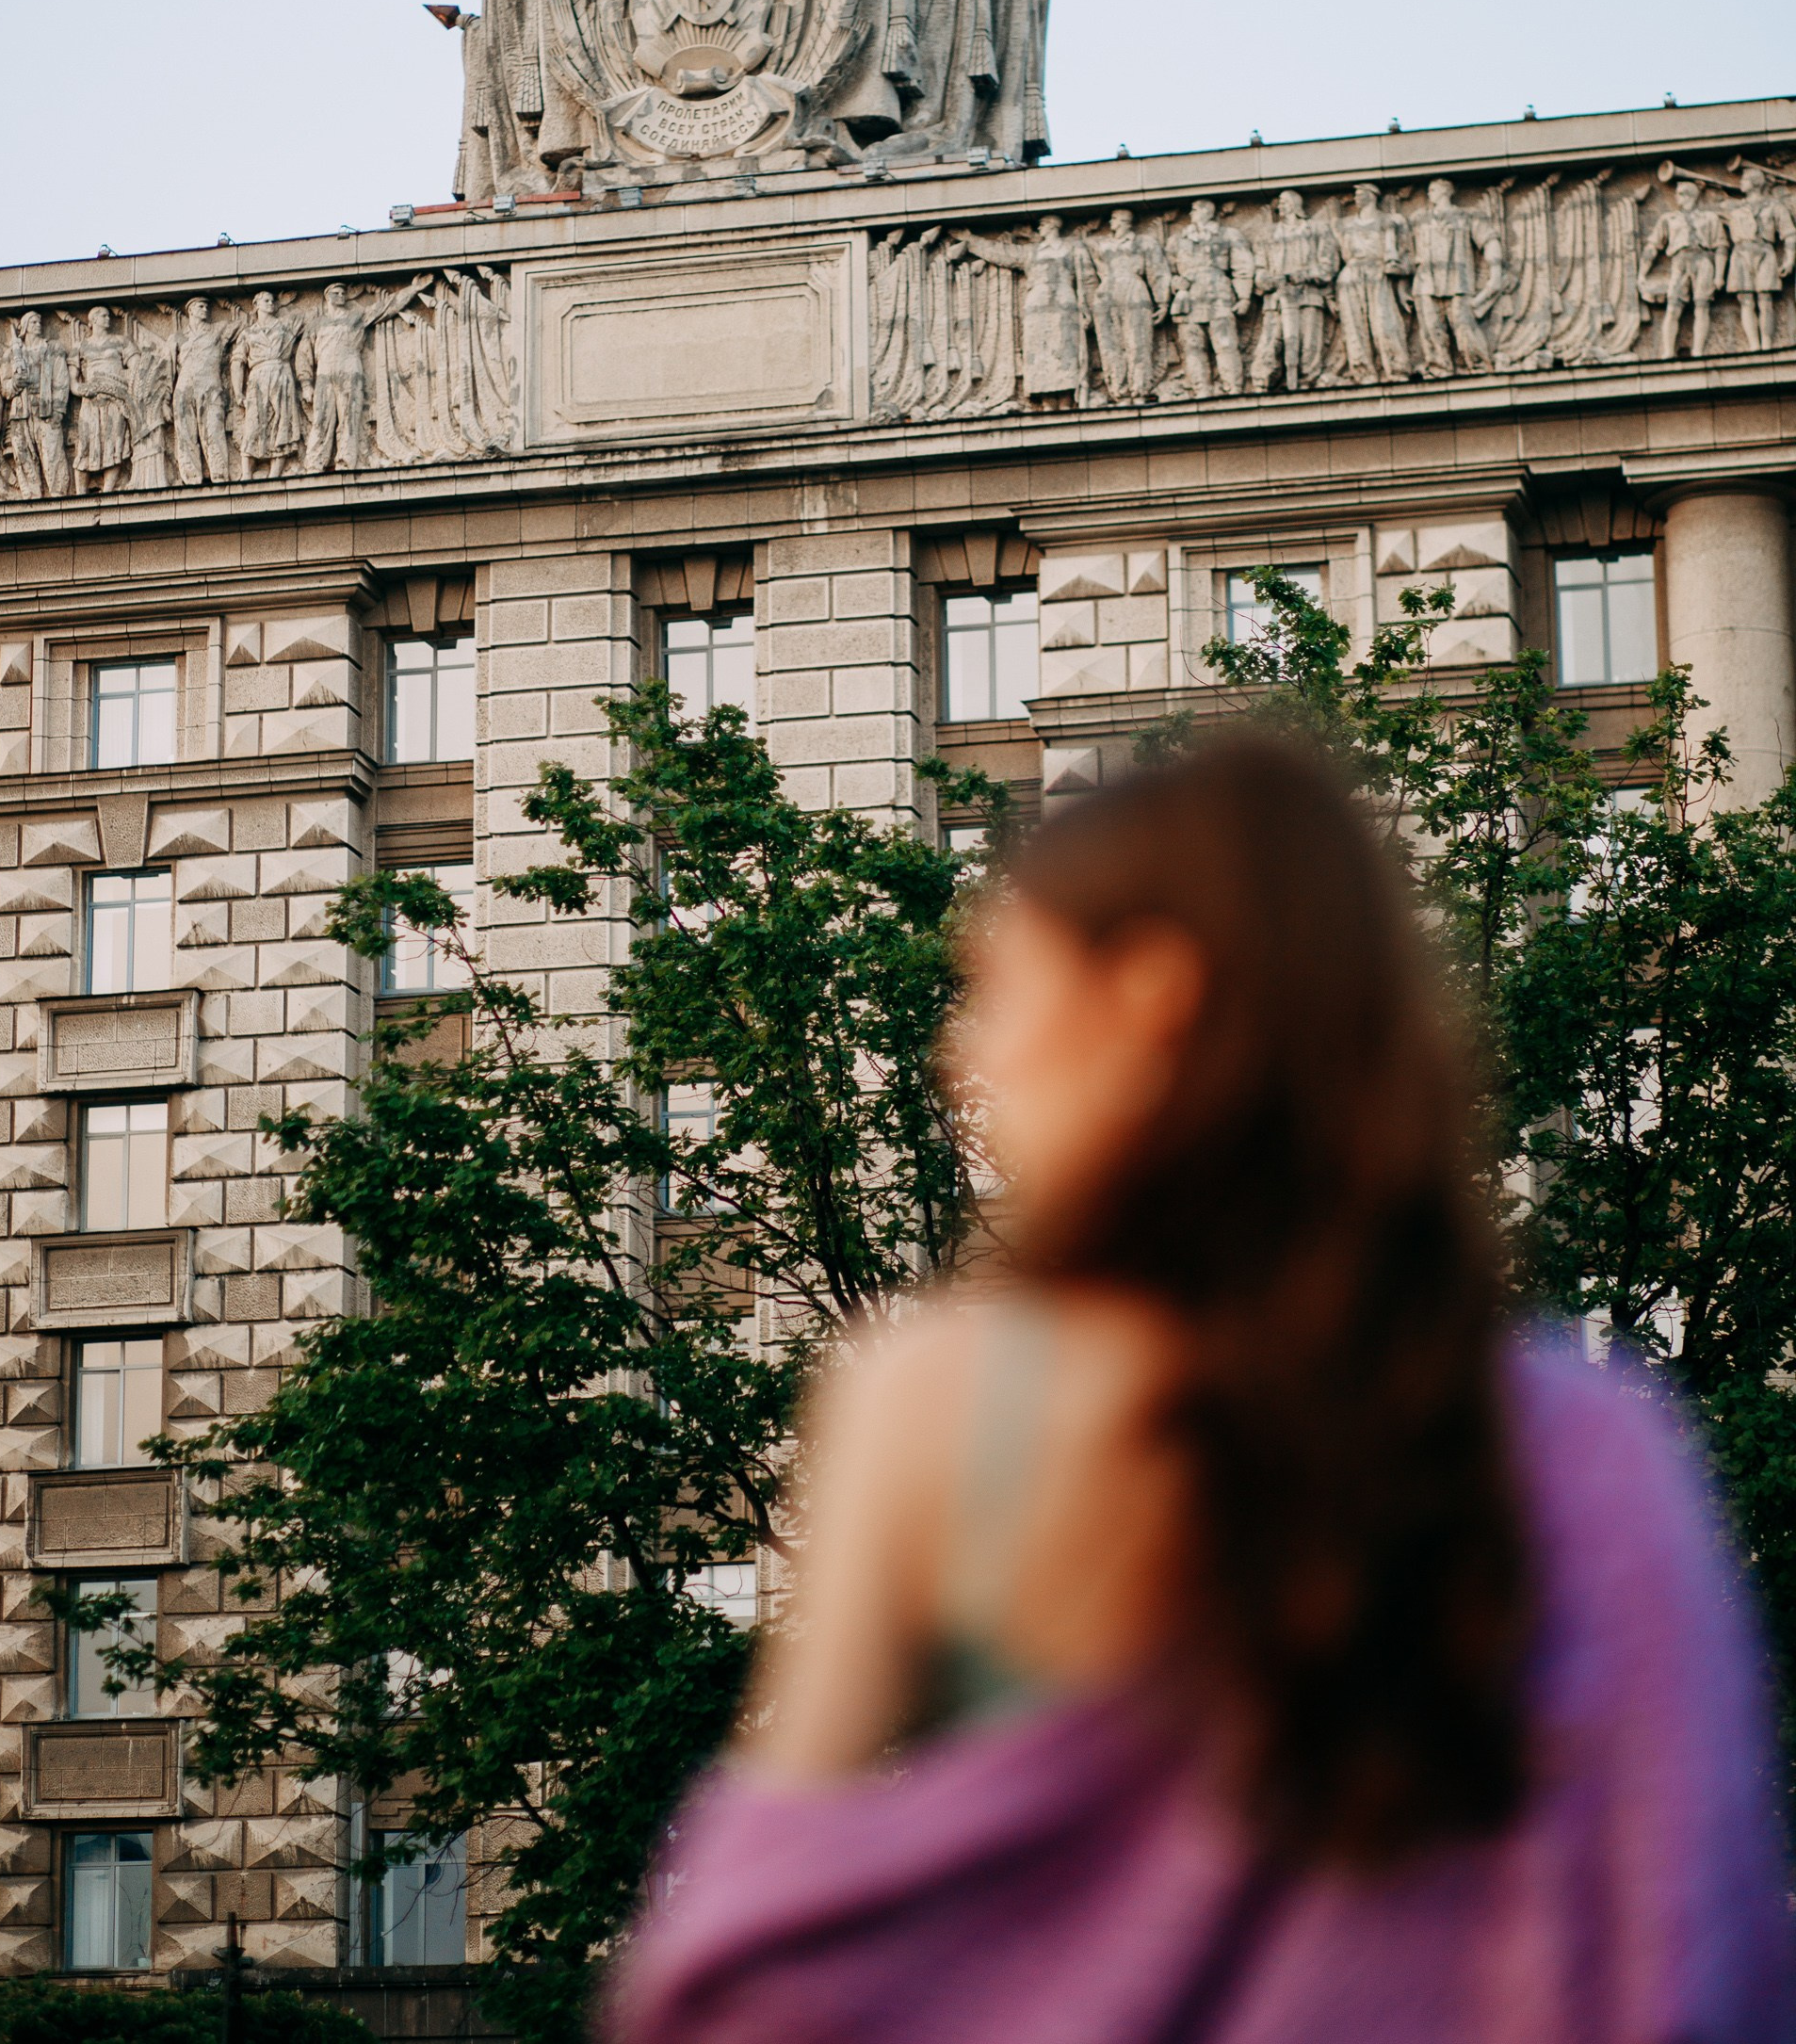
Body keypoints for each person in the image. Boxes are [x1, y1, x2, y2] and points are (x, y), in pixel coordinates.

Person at [604, 732, 1791, 2044]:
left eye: (996, 988)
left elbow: (748, 1951)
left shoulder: (936, 1395)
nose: (962, 1054)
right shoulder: (1604, 1439)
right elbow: (1696, 1944)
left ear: (1150, 996)